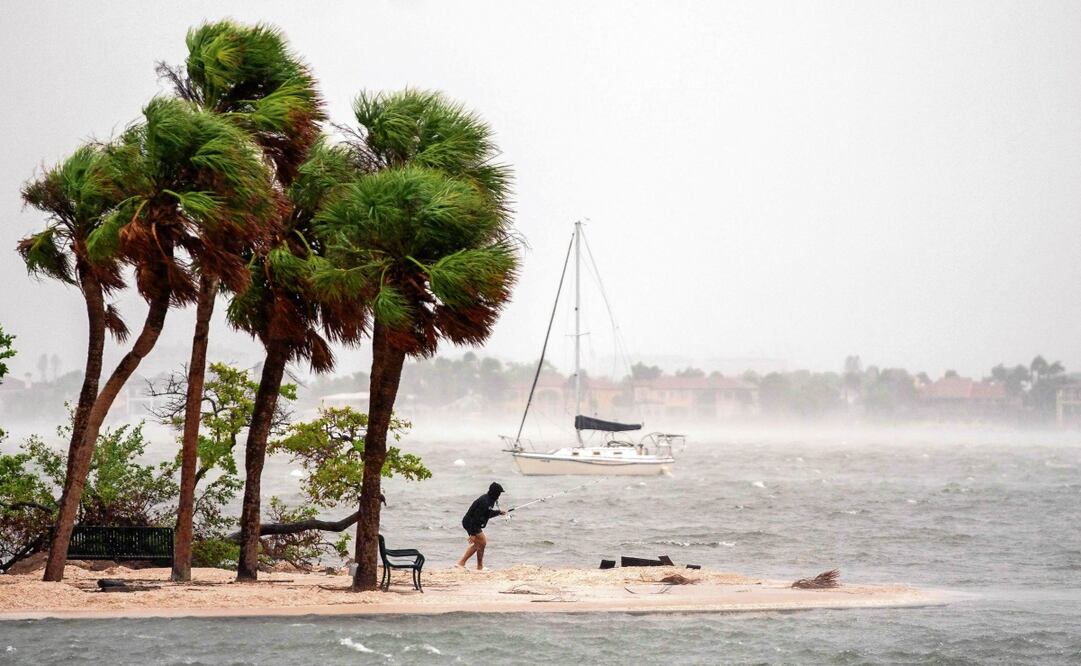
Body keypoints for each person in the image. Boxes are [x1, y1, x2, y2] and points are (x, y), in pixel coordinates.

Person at [457, 482, 506, 570]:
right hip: (470, 522)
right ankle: (470, 565)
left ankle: (465, 564)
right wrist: (472, 534)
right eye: (499, 493)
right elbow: (476, 517)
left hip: (473, 523)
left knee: (480, 544)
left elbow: (487, 514)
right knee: (482, 542)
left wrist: (499, 512)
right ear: (494, 492)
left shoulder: (490, 500)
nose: (499, 495)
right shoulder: (485, 501)